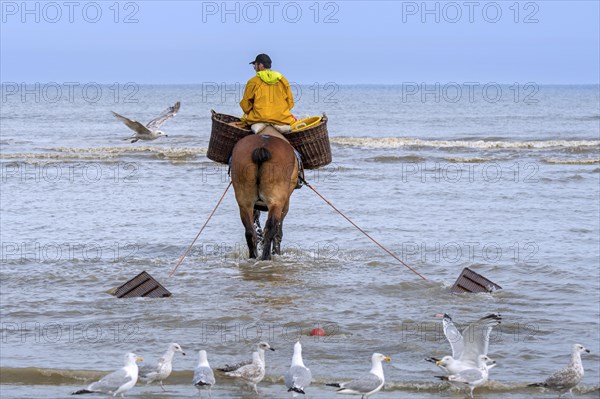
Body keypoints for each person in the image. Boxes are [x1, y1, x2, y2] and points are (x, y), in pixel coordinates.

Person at [240, 53, 296, 127]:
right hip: (282, 119)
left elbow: (245, 105)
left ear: (261, 66)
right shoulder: (283, 80)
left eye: (255, 65)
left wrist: (252, 113)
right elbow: (290, 103)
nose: (254, 67)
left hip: (258, 119)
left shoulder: (253, 81)